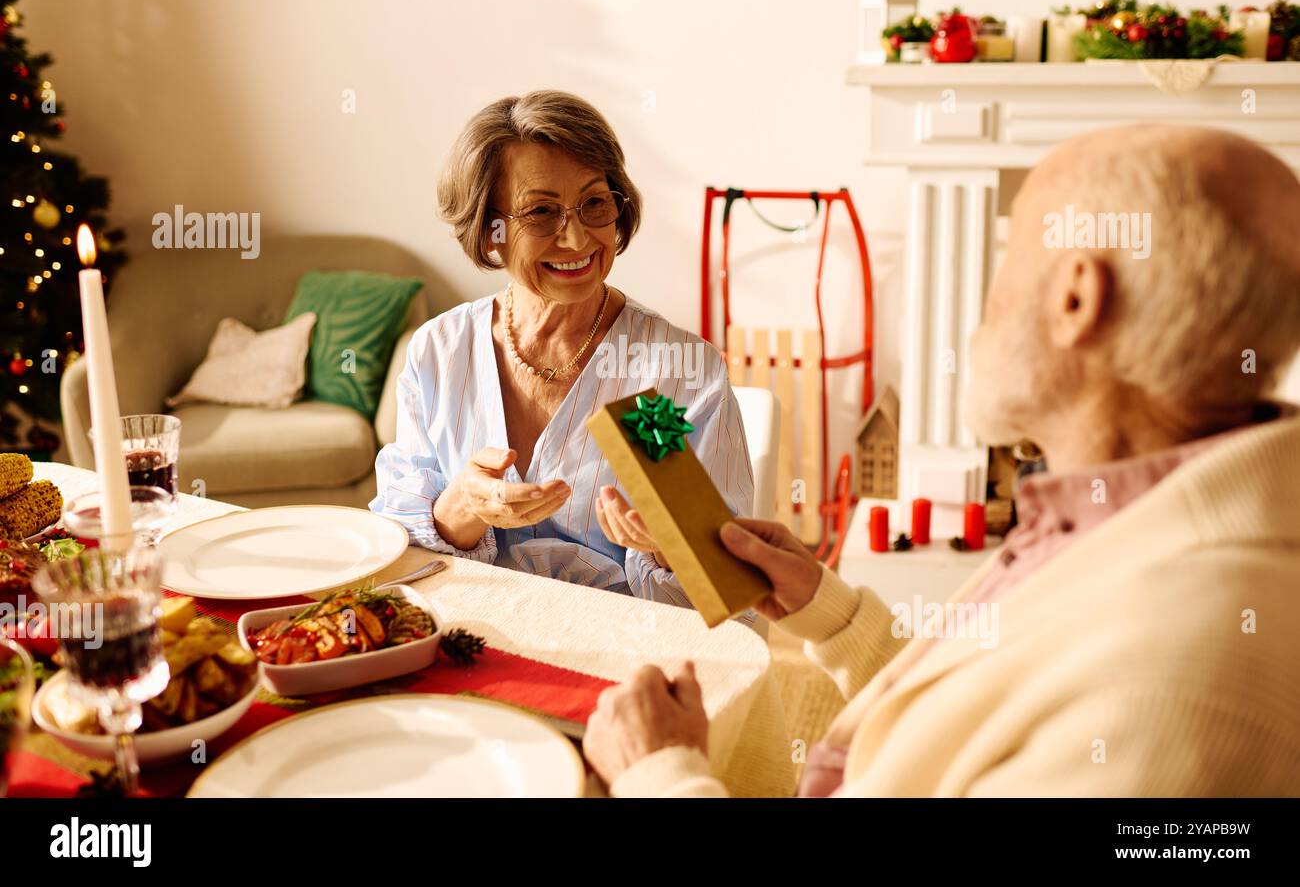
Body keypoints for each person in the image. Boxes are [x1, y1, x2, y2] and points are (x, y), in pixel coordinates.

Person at [583, 124, 1300, 796]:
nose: (984, 311)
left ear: (1077, 298)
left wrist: (663, 775)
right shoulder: (1117, 509)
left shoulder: (1173, 682)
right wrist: (829, 612)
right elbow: (985, 720)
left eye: (1008, 264)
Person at [371, 90, 752, 607]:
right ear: (490, 231)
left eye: (594, 203)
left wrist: (669, 549)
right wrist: (462, 507)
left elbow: (726, 593)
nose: (576, 240)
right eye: (541, 212)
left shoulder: (671, 373)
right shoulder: (440, 351)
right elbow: (398, 558)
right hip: (474, 637)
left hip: (628, 654)